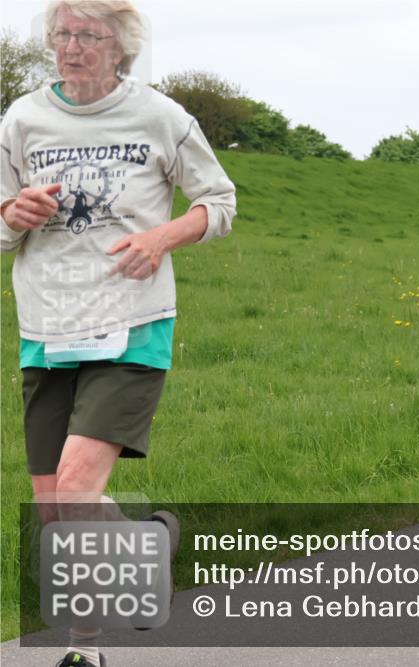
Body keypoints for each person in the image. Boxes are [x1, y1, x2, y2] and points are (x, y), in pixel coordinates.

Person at [0, 2, 236, 665]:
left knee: (76, 488)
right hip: (46, 330)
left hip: (132, 325)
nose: (70, 47)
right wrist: (12, 211)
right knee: (56, 514)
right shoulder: (21, 120)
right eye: (61, 34)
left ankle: (84, 649)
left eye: (88, 35)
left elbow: (219, 202)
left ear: (121, 47)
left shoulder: (160, 116)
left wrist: (165, 235)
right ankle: (142, 554)